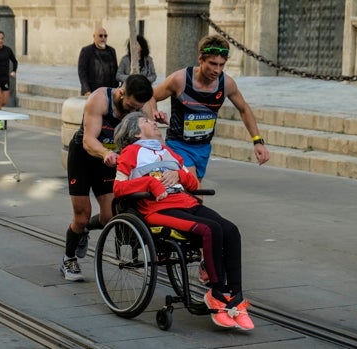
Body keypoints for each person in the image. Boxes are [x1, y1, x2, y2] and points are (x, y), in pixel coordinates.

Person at [113, 111, 254, 331]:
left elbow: (193, 184)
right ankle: (217, 294)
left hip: (186, 202)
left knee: (231, 230)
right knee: (210, 229)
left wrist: (179, 176)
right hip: (157, 208)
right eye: (147, 122)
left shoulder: (168, 151)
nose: (154, 123)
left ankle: (236, 296)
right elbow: (119, 188)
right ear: (136, 132)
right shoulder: (131, 152)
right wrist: (150, 184)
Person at [61, 74, 153, 282]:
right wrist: (105, 153)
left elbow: (149, 133)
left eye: (136, 108)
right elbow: (88, 139)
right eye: (129, 106)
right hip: (85, 156)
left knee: (108, 217)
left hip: (112, 159)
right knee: (82, 215)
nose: (132, 111)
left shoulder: (141, 105)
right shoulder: (100, 99)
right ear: (121, 92)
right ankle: (69, 257)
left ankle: (84, 230)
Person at [151, 34, 269, 184]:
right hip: (178, 145)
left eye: (221, 65)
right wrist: (154, 111)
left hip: (203, 148)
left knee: (192, 197)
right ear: (201, 59)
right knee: (195, 190)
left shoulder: (226, 84)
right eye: (213, 64)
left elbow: (244, 109)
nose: (217, 70)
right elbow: (151, 96)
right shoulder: (180, 80)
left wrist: (257, 141)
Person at [77, 27, 118, 96]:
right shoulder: (86, 51)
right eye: (100, 36)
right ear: (94, 37)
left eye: (105, 36)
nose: (103, 38)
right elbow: (82, 72)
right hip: (92, 91)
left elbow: (115, 70)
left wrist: (115, 89)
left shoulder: (111, 51)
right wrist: (86, 90)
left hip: (109, 91)